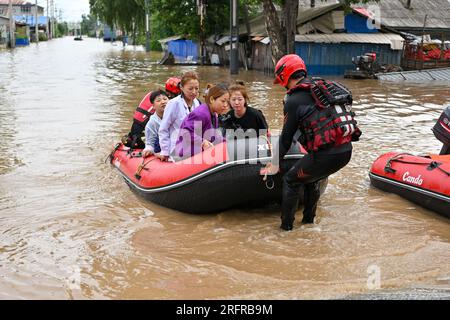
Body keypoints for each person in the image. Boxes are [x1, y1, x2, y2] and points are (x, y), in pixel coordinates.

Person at [266, 54, 361, 231]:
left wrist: (274, 164)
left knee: (290, 180)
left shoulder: (293, 100)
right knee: (311, 178)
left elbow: (286, 138)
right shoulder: (322, 88)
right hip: (346, 151)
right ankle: (309, 224)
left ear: (284, 76)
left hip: (327, 156)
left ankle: (285, 229)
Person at [174, 84, 230, 159]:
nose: (226, 105)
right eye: (223, 101)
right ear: (212, 99)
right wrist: (202, 142)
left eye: (227, 102)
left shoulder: (214, 115)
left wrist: (227, 143)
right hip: (186, 153)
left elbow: (215, 136)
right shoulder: (201, 114)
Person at [158, 71, 201, 161]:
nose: (194, 92)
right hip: (176, 149)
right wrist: (165, 151)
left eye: (196, 88)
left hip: (194, 148)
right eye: (190, 89)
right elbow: (163, 129)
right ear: (181, 87)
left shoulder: (197, 103)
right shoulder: (173, 104)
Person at [142, 90, 169, 158]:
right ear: (153, 106)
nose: (163, 102)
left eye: (165, 99)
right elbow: (150, 143)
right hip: (161, 148)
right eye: (158, 100)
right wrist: (148, 150)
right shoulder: (152, 123)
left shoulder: (177, 115)